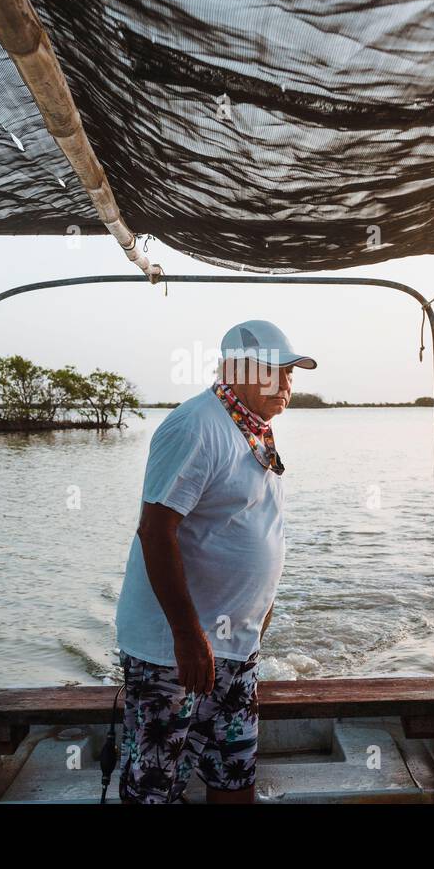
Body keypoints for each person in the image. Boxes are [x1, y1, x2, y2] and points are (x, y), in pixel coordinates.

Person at [114, 319, 316, 803]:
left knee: (234, 772)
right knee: (155, 786)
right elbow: (155, 532)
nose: (287, 385)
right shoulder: (195, 425)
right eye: (276, 372)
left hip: (235, 647)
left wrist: (258, 617)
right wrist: (188, 636)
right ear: (237, 369)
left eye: (291, 374)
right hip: (175, 653)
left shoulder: (254, 430)